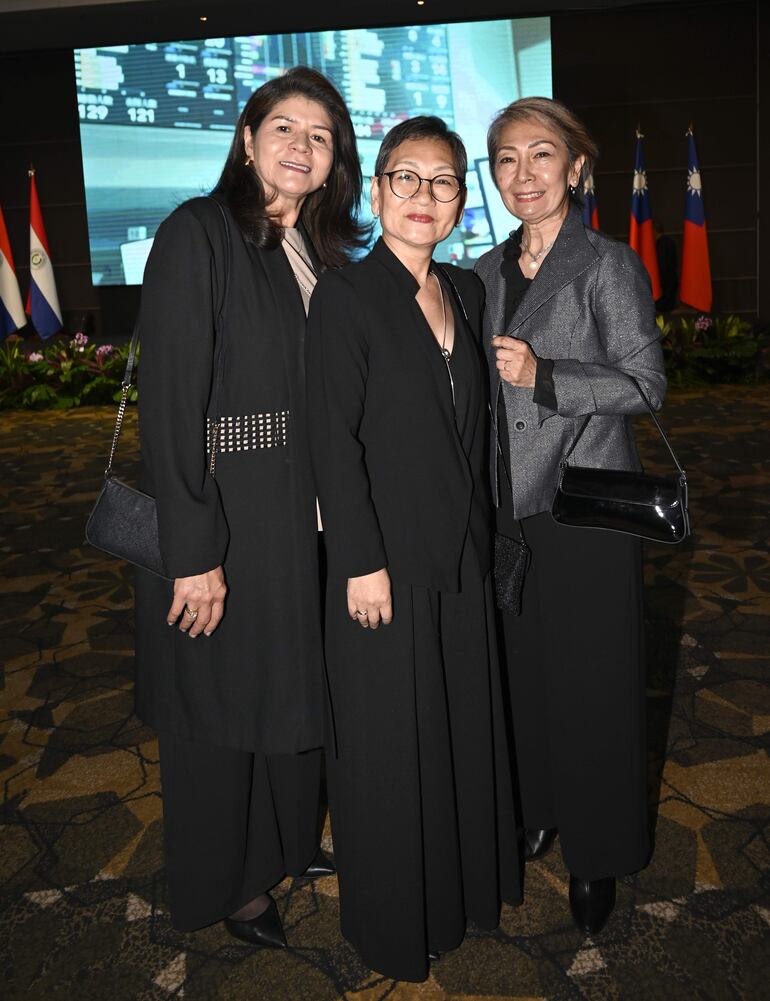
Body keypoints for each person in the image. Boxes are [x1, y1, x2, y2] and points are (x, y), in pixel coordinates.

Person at [134, 67, 368, 948]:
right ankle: (227, 884)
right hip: (227, 522)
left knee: (284, 695)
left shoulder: (321, 251)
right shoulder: (200, 232)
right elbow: (172, 398)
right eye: (285, 128)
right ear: (246, 139)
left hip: (301, 523)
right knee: (218, 713)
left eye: (320, 134)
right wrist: (193, 549)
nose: (302, 145)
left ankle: (279, 846)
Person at [305, 116, 522, 983]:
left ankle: (461, 892)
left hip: (457, 553)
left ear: (462, 198)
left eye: (443, 182)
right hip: (382, 563)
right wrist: (360, 560)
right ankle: (397, 921)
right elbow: (333, 440)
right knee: (392, 745)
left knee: (457, 725)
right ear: (379, 189)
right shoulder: (347, 296)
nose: (424, 197)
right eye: (407, 178)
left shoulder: (465, 292)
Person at [474, 96, 667, 935]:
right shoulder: (477, 274)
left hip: (585, 507)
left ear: (577, 168)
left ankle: (597, 854)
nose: (524, 174)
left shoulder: (607, 265)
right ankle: (538, 806)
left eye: (541, 155)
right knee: (521, 677)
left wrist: (546, 376)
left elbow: (645, 386)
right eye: (507, 158)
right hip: (505, 510)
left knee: (594, 687)